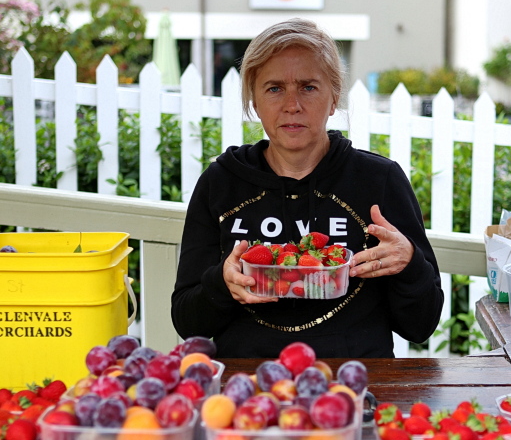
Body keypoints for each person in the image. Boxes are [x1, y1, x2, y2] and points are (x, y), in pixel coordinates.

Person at [171, 18, 443, 358]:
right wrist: (222, 285)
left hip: (355, 381)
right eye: (274, 88)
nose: (292, 105)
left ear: (333, 99)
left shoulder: (378, 181)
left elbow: (421, 326)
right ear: (254, 101)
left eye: (308, 87)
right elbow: (187, 321)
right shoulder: (222, 182)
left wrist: (410, 263)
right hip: (248, 388)